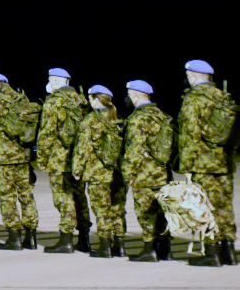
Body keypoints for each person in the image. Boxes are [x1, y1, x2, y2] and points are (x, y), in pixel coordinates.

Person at [177, 60, 238, 266]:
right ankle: (229, 251)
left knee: (206, 208)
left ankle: (212, 253)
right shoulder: (224, 97)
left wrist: (187, 167)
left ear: (193, 76)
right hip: (224, 162)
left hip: (203, 164)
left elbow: (189, 134)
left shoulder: (194, 98)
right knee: (224, 206)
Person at [0, 73, 39, 250]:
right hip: (23, 154)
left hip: (3, 156)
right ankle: (31, 237)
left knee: (7, 197)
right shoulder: (21, 98)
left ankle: (14, 237)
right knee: (26, 195)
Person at [38, 68, 93, 254]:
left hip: (59, 158)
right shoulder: (81, 100)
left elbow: (47, 131)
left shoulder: (54, 100)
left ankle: (66, 239)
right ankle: (84, 239)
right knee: (80, 197)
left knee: (63, 198)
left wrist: (42, 157)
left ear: (55, 81)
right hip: (79, 157)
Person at [120, 80, 173, 262]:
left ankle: (149, 249)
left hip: (145, 173)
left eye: (129, 94)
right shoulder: (161, 115)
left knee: (145, 212)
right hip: (162, 172)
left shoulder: (138, 118)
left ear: (135, 95)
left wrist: (128, 174)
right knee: (162, 211)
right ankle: (165, 249)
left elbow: (134, 149)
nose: (128, 98)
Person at [71, 85, 124, 258]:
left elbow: (82, 147)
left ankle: (105, 246)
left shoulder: (90, 120)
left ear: (95, 100)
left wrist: (77, 169)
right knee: (117, 207)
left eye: (90, 99)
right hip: (117, 170)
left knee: (101, 208)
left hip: (97, 171)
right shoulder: (117, 118)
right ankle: (119, 245)